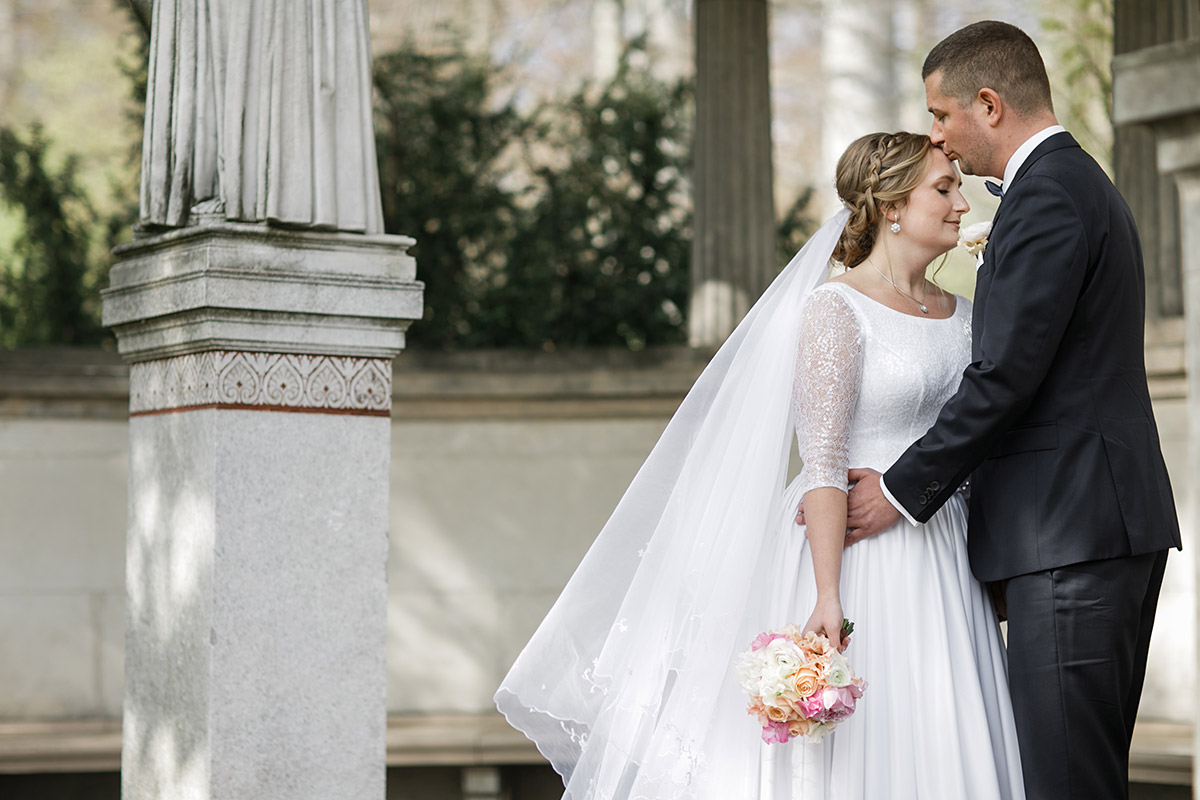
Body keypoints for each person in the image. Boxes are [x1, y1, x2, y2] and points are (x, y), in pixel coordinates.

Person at [495, 132, 1024, 799]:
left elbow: (978, 442)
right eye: (942, 189)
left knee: (947, 732)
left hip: (942, 555)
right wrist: (828, 597)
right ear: (891, 204)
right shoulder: (837, 308)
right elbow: (825, 460)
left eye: (957, 188)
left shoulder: (968, 316)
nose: (959, 204)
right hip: (852, 556)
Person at [838, 21, 1182, 800]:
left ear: (988, 104)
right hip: (1089, 526)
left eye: (941, 116)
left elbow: (1004, 377)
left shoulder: (1049, 197)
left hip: (1068, 533)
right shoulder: (1070, 184)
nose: (937, 138)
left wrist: (897, 491)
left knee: (1066, 782)